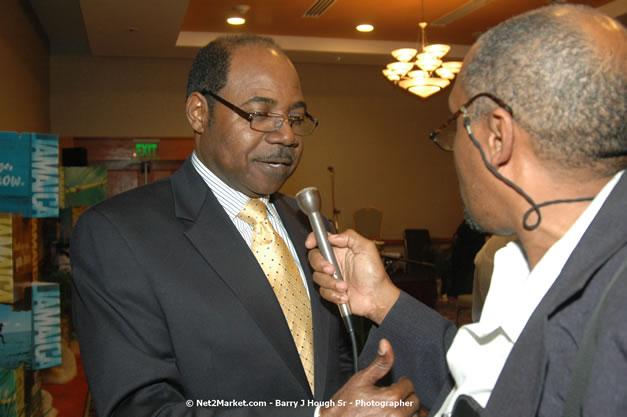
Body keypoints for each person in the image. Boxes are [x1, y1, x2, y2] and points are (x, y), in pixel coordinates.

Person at [71, 34, 417, 417]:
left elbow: (334, 364)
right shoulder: (117, 235)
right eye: (260, 113)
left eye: (296, 118)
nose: (286, 135)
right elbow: (139, 408)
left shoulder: (310, 225)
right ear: (199, 113)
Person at [307, 4, 626, 417]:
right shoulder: (531, 261)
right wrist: (380, 299)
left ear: (496, 136)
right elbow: (483, 386)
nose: (453, 146)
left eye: (457, 124)